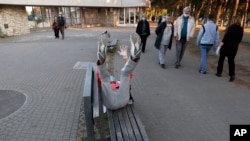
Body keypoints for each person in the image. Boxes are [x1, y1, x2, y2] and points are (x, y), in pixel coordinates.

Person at [96, 32, 141, 110]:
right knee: (123, 74)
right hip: (124, 99)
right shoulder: (118, 82)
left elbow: (101, 79)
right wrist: (125, 57)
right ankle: (134, 57)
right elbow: (129, 73)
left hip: (112, 103)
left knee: (106, 78)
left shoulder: (113, 81)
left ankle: (101, 59)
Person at [215, 16, 243, 82]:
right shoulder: (241, 29)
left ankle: (219, 72)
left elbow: (225, 38)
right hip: (234, 47)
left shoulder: (231, 28)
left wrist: (219, 46)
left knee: (221, 59)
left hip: (226, 46)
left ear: (234, 20)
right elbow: (240, 39)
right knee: (231, 61)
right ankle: (232, 74)